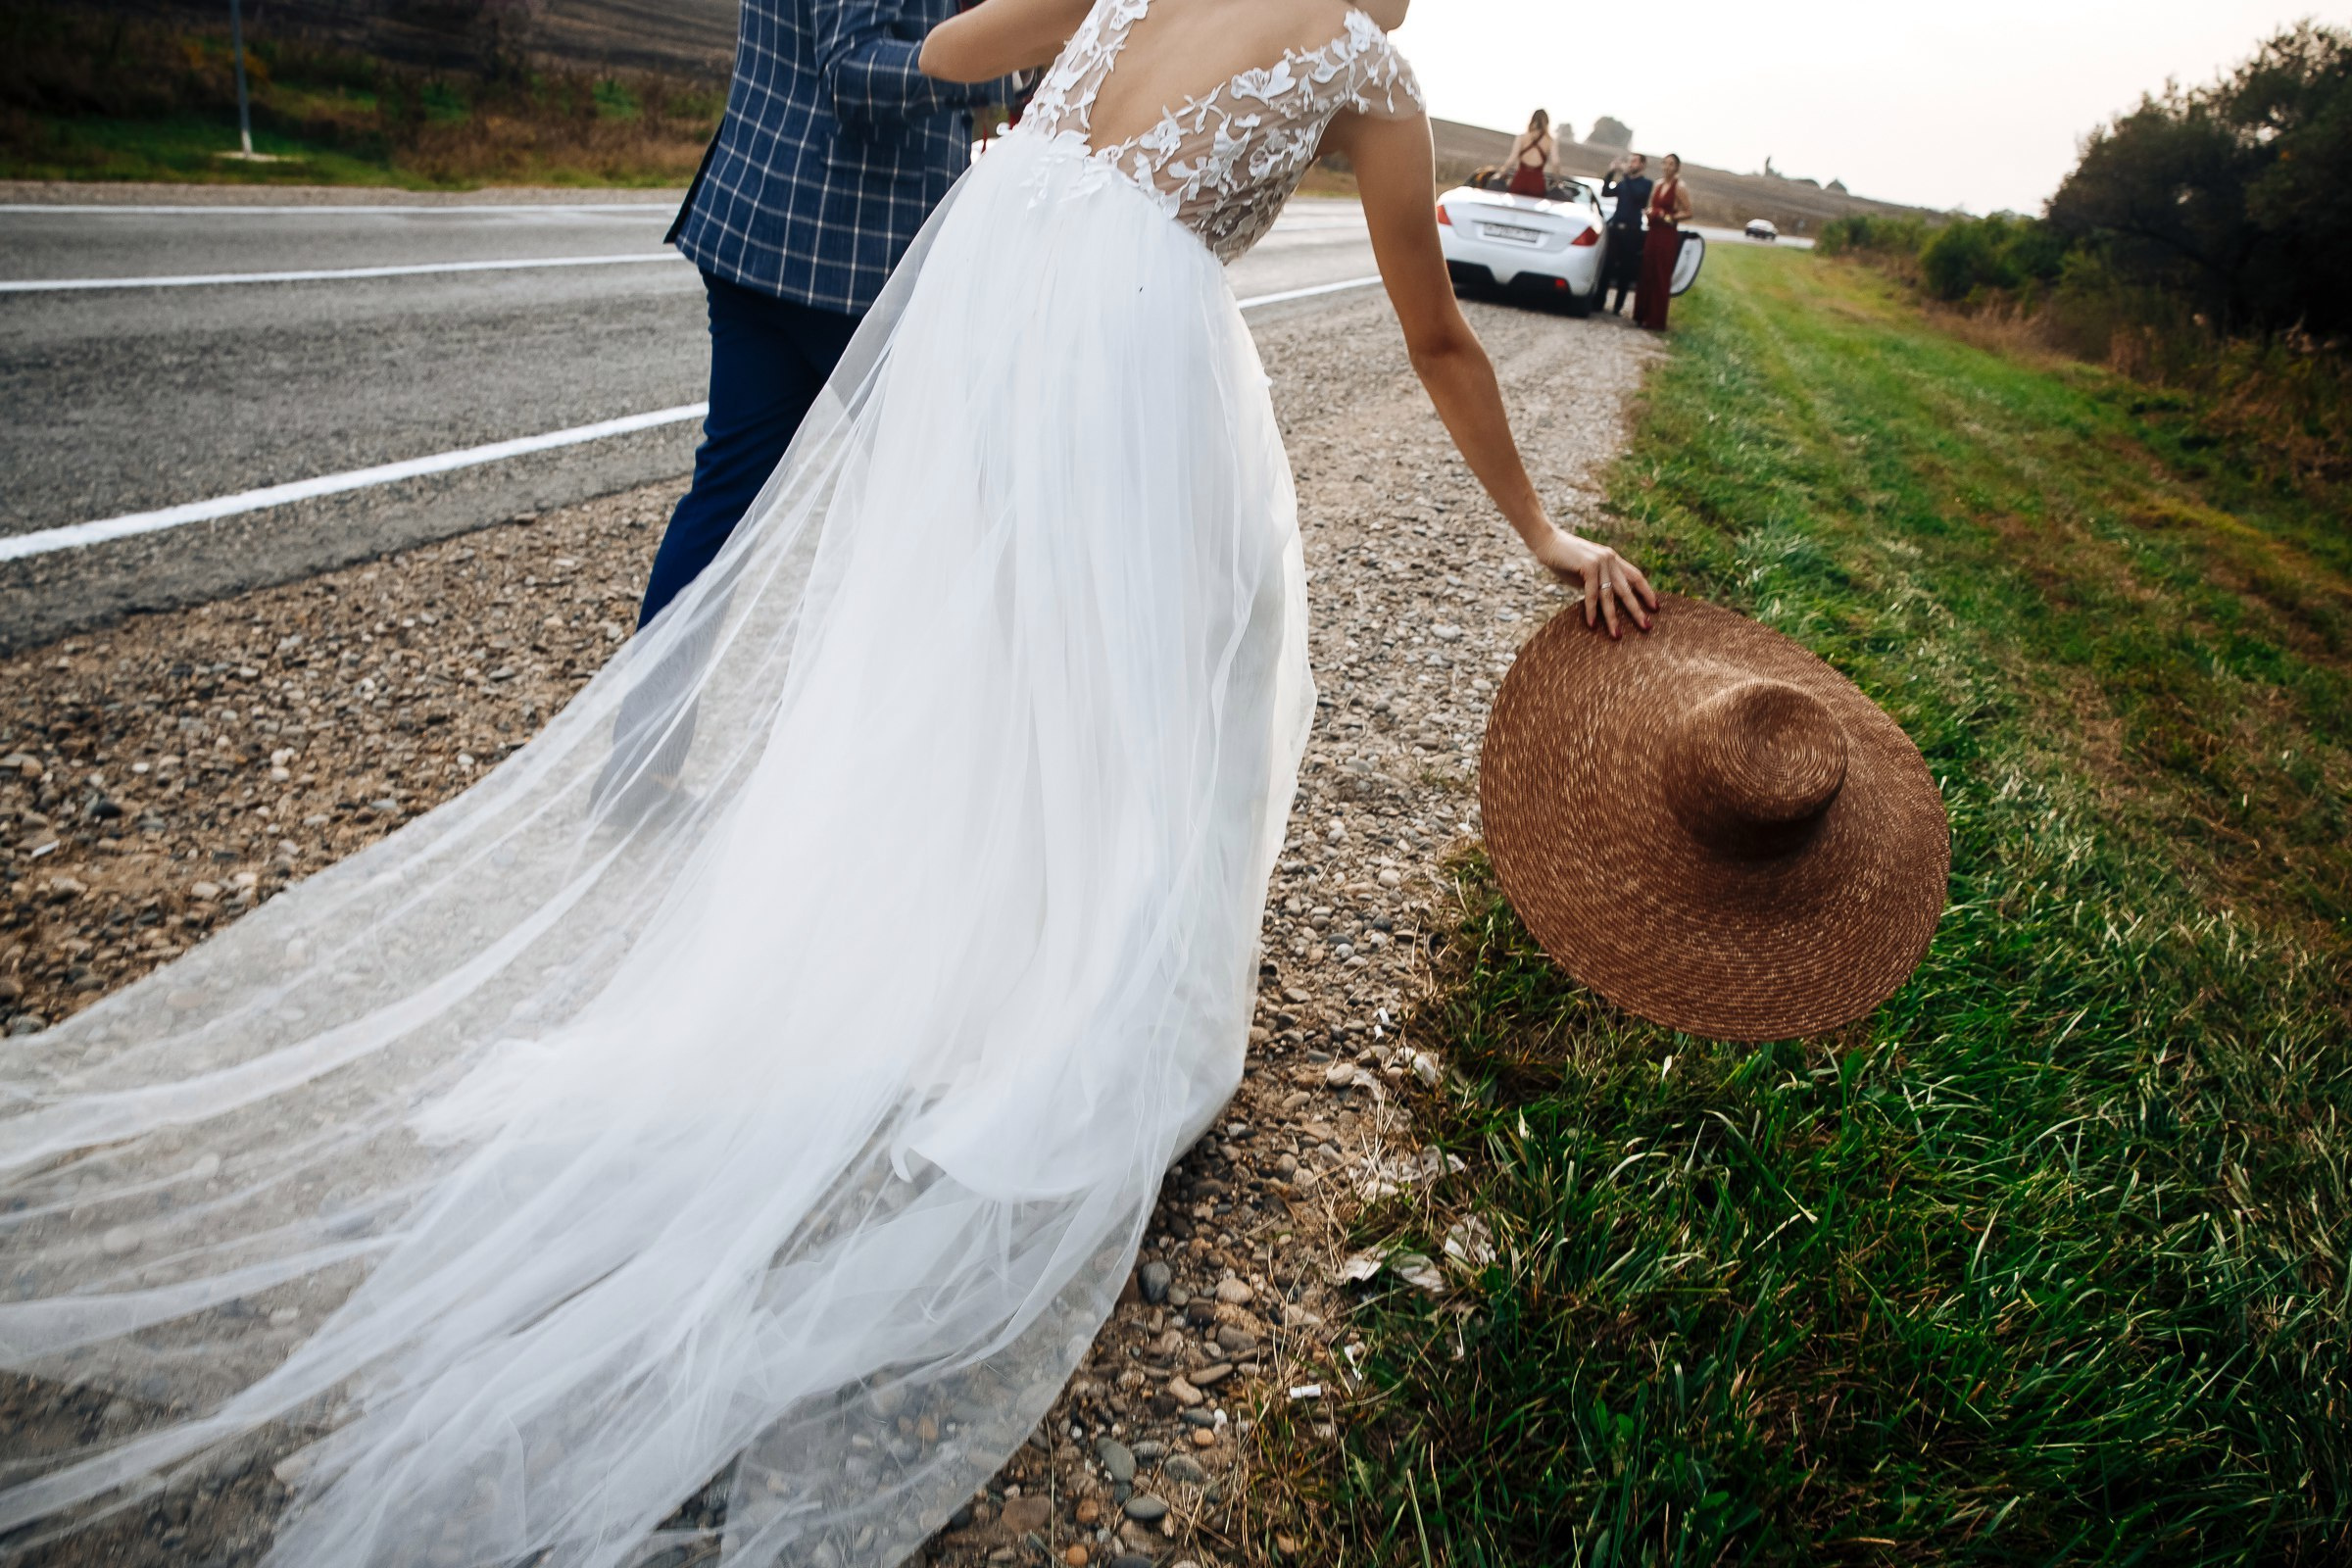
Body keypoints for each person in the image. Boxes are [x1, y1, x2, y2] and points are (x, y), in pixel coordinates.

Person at [0, 2, 1656, 1565]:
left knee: (967, 655)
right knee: (1180, 659)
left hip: (993, 293)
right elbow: (1433, 333)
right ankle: (1078, 985)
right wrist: (1539, 530)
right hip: (1133, 330)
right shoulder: (1365, 64)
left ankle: (964, 941)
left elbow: (945, 45)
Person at [1636, 150, 1693, 329]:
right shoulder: (1658, 184)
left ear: (1677, 167)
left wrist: (1668, 217)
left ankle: (1656, 319)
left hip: (1667, 234)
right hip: (1653, 232)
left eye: (1671, 164)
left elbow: (1688, 212)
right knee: (1647, 271)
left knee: (1661, 274)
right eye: (1665, 163)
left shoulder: (1679, 187)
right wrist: (1650, 211)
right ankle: (1641, 314)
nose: (1667, 167)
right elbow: (1653, 205)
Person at [1600, 150, 1651, 315]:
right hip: (1616, 229)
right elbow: (1606, 192)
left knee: (1625, 270)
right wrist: (1610, 173)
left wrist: (1625, 176)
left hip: (1631, 233)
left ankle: (1617, 307)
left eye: (1635, 161)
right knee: (1607, 267)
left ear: (1642, 165)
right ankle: (1599, 302)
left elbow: (1639, 198)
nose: (1631, 164)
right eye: (1630, 161)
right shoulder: (1624, 183)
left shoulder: (1645, 184)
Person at [1504, 106, 1554, 197]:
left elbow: (1512, 159)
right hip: (1537, 182)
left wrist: (1499, 174)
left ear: (1532, 120)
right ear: (1547, 122)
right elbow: (1556, 162)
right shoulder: (1550, 141)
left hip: (1520, 179)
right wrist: (1557, 182)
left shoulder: (1522, 137)